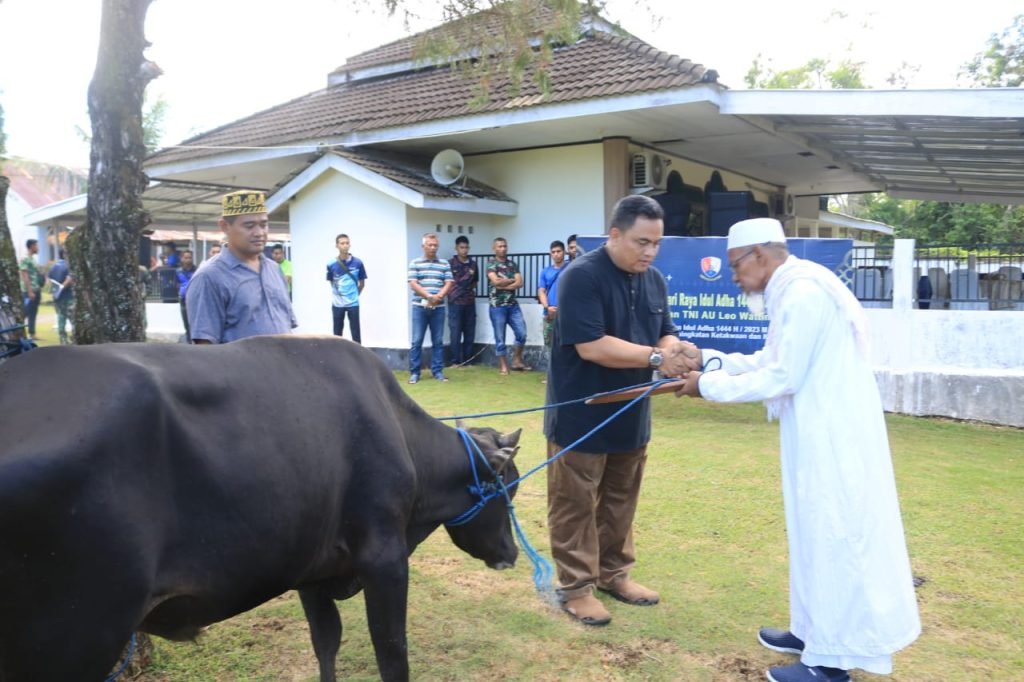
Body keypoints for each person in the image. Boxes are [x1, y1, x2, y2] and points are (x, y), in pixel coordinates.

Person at [675, 218, 920, 682]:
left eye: (736, 266)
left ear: (760, 257)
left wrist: (705, 386)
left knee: (832, 535)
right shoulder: (792, 289)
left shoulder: (803, 293)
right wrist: (707, 358)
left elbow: (782, 376)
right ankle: (813, 632)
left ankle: (829, 665)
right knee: (811, 533)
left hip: (833, 436)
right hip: (813, 430)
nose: (733, 277)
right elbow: (770, 359)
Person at [544, 195, 697, 627]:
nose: (649, 251)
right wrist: (655, 358)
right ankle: (576, 587)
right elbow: (591, 346)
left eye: (656, 244)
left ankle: (614, 574)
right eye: (641, 242)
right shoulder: (581, 276)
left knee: (620, 501)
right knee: (574, 502)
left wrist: (675, 351)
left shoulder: (654, 281)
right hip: (581, 413)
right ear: (615, 235)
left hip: (632, 412)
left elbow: (665, 333)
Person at [186, 190, 297, 344]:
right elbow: (205, 346)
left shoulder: (274, 269)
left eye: (263, 225)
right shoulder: (209, 277)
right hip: (238, 368)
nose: (259, 233)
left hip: (283, 365)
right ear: (225, 226)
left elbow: (286, 326)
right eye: (249, 226)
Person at [407, 233, 453, 383]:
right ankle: (415, 373)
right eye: (430, 245)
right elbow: (413, 283)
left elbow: (448, 282)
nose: (433, 248)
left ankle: (438, 371)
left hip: (438, 307)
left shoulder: (444, 264)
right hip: (420, 307)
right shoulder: (415, 263)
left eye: (435, 245)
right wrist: (429, 296)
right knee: (417, 340)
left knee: (438, 341)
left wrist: (438, 296)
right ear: (423, 246)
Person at [487, 237, 529, 375]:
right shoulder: (491, 264)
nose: (503, 248)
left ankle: (516, 360)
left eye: (504, 246)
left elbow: (520, 283)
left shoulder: (512, 264)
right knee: (500, 338)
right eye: (499, 246)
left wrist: (504, 282)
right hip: (497, 306)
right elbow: (495, 282)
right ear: (494, 248)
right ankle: (503, 365)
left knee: (521, 333)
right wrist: (510, 281)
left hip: (512, 305)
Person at [326, 233, 367, 344]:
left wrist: (354, 295)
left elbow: (362, 283)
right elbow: (332, 281)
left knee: (356, 334)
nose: (345, 245)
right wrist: (340, 295)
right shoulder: (331, 264)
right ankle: (337, 357)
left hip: (353, 304)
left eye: (347, 243)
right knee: (337, 334)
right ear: (337, 246)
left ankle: (358, 358)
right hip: (337, 304)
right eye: (342, 243)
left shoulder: (358, 263)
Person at [447, 235, 478, 366]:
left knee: (469, 331)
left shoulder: (473, 264)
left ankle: (468, 360)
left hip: (469, 302)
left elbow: (475, 282)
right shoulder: (450, 263)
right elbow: (448, 282)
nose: (464, 250)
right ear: (456, 248)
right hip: (455, 302)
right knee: (455, 331)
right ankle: (455, 361)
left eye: (466, 247)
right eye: (461, 247)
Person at [537, 239, 567, 369]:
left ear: (564, 252)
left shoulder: (570, 268)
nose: (556, 254)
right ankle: (552, 374)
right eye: (553, 252)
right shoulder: (545, 271)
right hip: (549, 313)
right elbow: (541, 291)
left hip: (566, 313)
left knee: (566, 344)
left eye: (558, 251)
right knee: (549, 344)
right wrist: (547, 307)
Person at [47, 248, 74, 345]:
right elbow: (69, 279)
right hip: (68, 295)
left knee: (61, 316)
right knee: (72, 317)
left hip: (57, 297)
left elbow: (49, 281)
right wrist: (62, 287)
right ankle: (75, 336)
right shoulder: (68, 266)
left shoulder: (53, 266)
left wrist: (54, 292)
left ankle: (63, 339)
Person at [18, 239, 43, 340]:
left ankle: (32, 333)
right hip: (29, 291)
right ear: (32, 246)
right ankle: (18, 333)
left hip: (36, 289)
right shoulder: (25, 259)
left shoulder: (32, 259)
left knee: (33, 312)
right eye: (36, 246)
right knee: (25, 312)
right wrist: (30, 291)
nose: (38, 248)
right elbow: (25, 276)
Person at [176, 250, 197, 341]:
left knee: (195, 323)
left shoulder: (197, 270)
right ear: (182, 259)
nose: (188, 260)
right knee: (186, 323)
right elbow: (176, 284)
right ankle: (188, 341)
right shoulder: (178, 271)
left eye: (190, 257)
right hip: (183, 300)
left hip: (195, 300)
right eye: (186, 258)